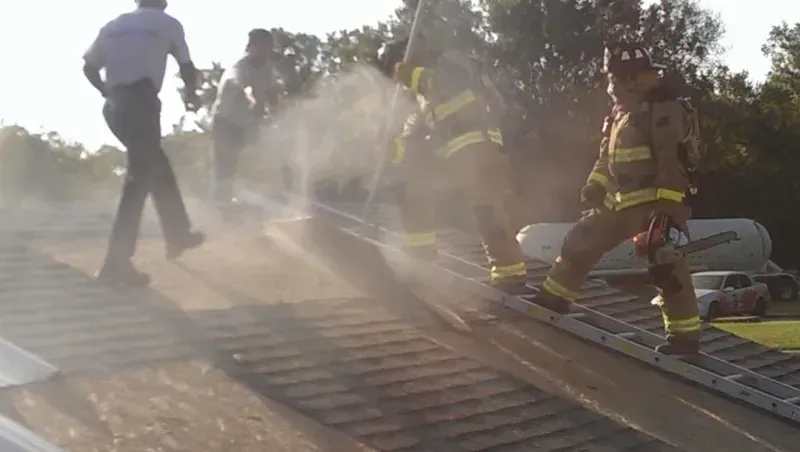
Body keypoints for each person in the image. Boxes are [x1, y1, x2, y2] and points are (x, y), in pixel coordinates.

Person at [530, 42, 702, 355]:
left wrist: (666, 212)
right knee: (581, 239)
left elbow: (671, 161)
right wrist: (594, 186)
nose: (610, 86)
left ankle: (684, 337)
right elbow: (605, 160)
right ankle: (554, 298)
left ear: (634, 79)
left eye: (614, 79)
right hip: (620, 201)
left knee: (665, 264)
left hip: (653, 203)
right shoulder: (619, 115)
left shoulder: (665, 110)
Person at [377, 35, 529, 294]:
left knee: (487, 209)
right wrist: (393, 148)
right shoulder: (423, 99)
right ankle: (421, 252)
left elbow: (448, 84)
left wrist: (412, 75)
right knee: (411, 186)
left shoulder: (450, 61)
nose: (397, 77)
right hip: (455, 156)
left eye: (396, 67)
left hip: (479, 148)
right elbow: (412, 136)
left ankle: (510, 275)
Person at [82, 0, 205, 286]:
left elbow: (88, 67)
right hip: (141, 102)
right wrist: (192, 94)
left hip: (115, 107)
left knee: (154, 165)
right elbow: (186, 66)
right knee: (138, 180)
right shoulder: (168, 23)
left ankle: (178, 233)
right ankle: (116, 262)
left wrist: (106, 92)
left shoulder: (114, 25)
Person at [209, 28, 282, 218]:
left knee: (253, 157)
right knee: (226, 163)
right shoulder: (238, 68)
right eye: (262, 48)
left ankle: (248, 199)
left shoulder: (267, 69)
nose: (266, 52)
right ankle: (222, 206)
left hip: (246, 123)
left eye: (268, 48)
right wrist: (255, 101)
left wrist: (281, 116)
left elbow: (273, 93)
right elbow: (245, 87)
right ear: (250, 48)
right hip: (225, 121)